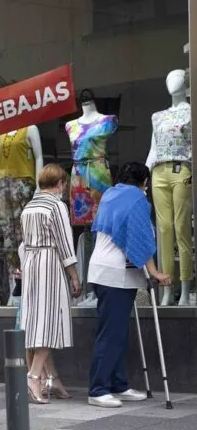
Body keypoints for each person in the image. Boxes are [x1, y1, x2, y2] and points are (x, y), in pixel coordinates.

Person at [87, 162, 171, 408]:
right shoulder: (137, 200)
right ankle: (98, 389)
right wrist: (155, 272)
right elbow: (141, 237)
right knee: (112, 334)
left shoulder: (110, 196)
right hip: (115, 275)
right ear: (143, 182)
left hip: (102, 269)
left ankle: (118, 384)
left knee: (117, 332)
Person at [19, 164, 82, 404]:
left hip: (31, 263)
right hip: (50, 264)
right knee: (50, 321)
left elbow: (24, 242)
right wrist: (74, 275)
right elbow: (65, 243)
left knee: (35, 321)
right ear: (59, 183)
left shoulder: (29, 206)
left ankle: (52, 377)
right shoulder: (56, 206)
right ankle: (34, 376)